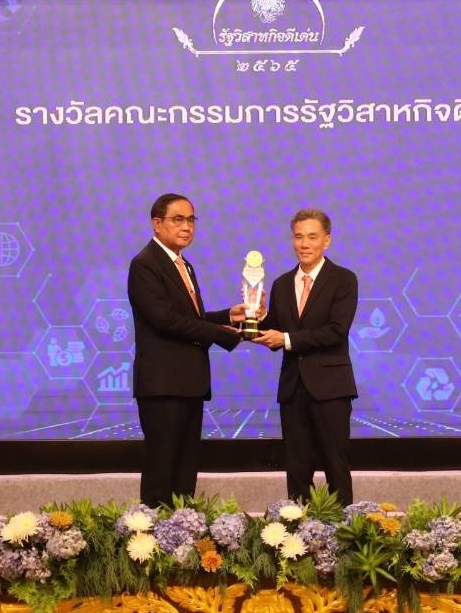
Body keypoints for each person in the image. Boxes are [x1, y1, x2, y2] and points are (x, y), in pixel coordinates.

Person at [127, 193, 246, 507]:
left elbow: (189, 318)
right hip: (163, 385)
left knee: (184, 470)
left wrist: (227, 316)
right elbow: (165, 320)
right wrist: (222, 335)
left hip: (189, 383)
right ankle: (154, 533)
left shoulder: (184, 265)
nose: (186, 227)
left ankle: (182, 528)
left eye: (191, 220)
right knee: (162, 469)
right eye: (177, 219)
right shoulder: (145, 264)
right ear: (157, 223)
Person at [253, 208, 358, 506]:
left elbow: (336, 331)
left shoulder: (343, 280)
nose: (304, 244)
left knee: (336, 464)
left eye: (312, 237)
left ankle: (342, 528)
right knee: (297, 467)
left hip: (331, 388)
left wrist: (286, 339)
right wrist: (256, 316)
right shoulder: (282, 283)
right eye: (298, 237)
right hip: (292, 387)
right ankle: (298, 528)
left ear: (327, 240)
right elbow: (274, 331)